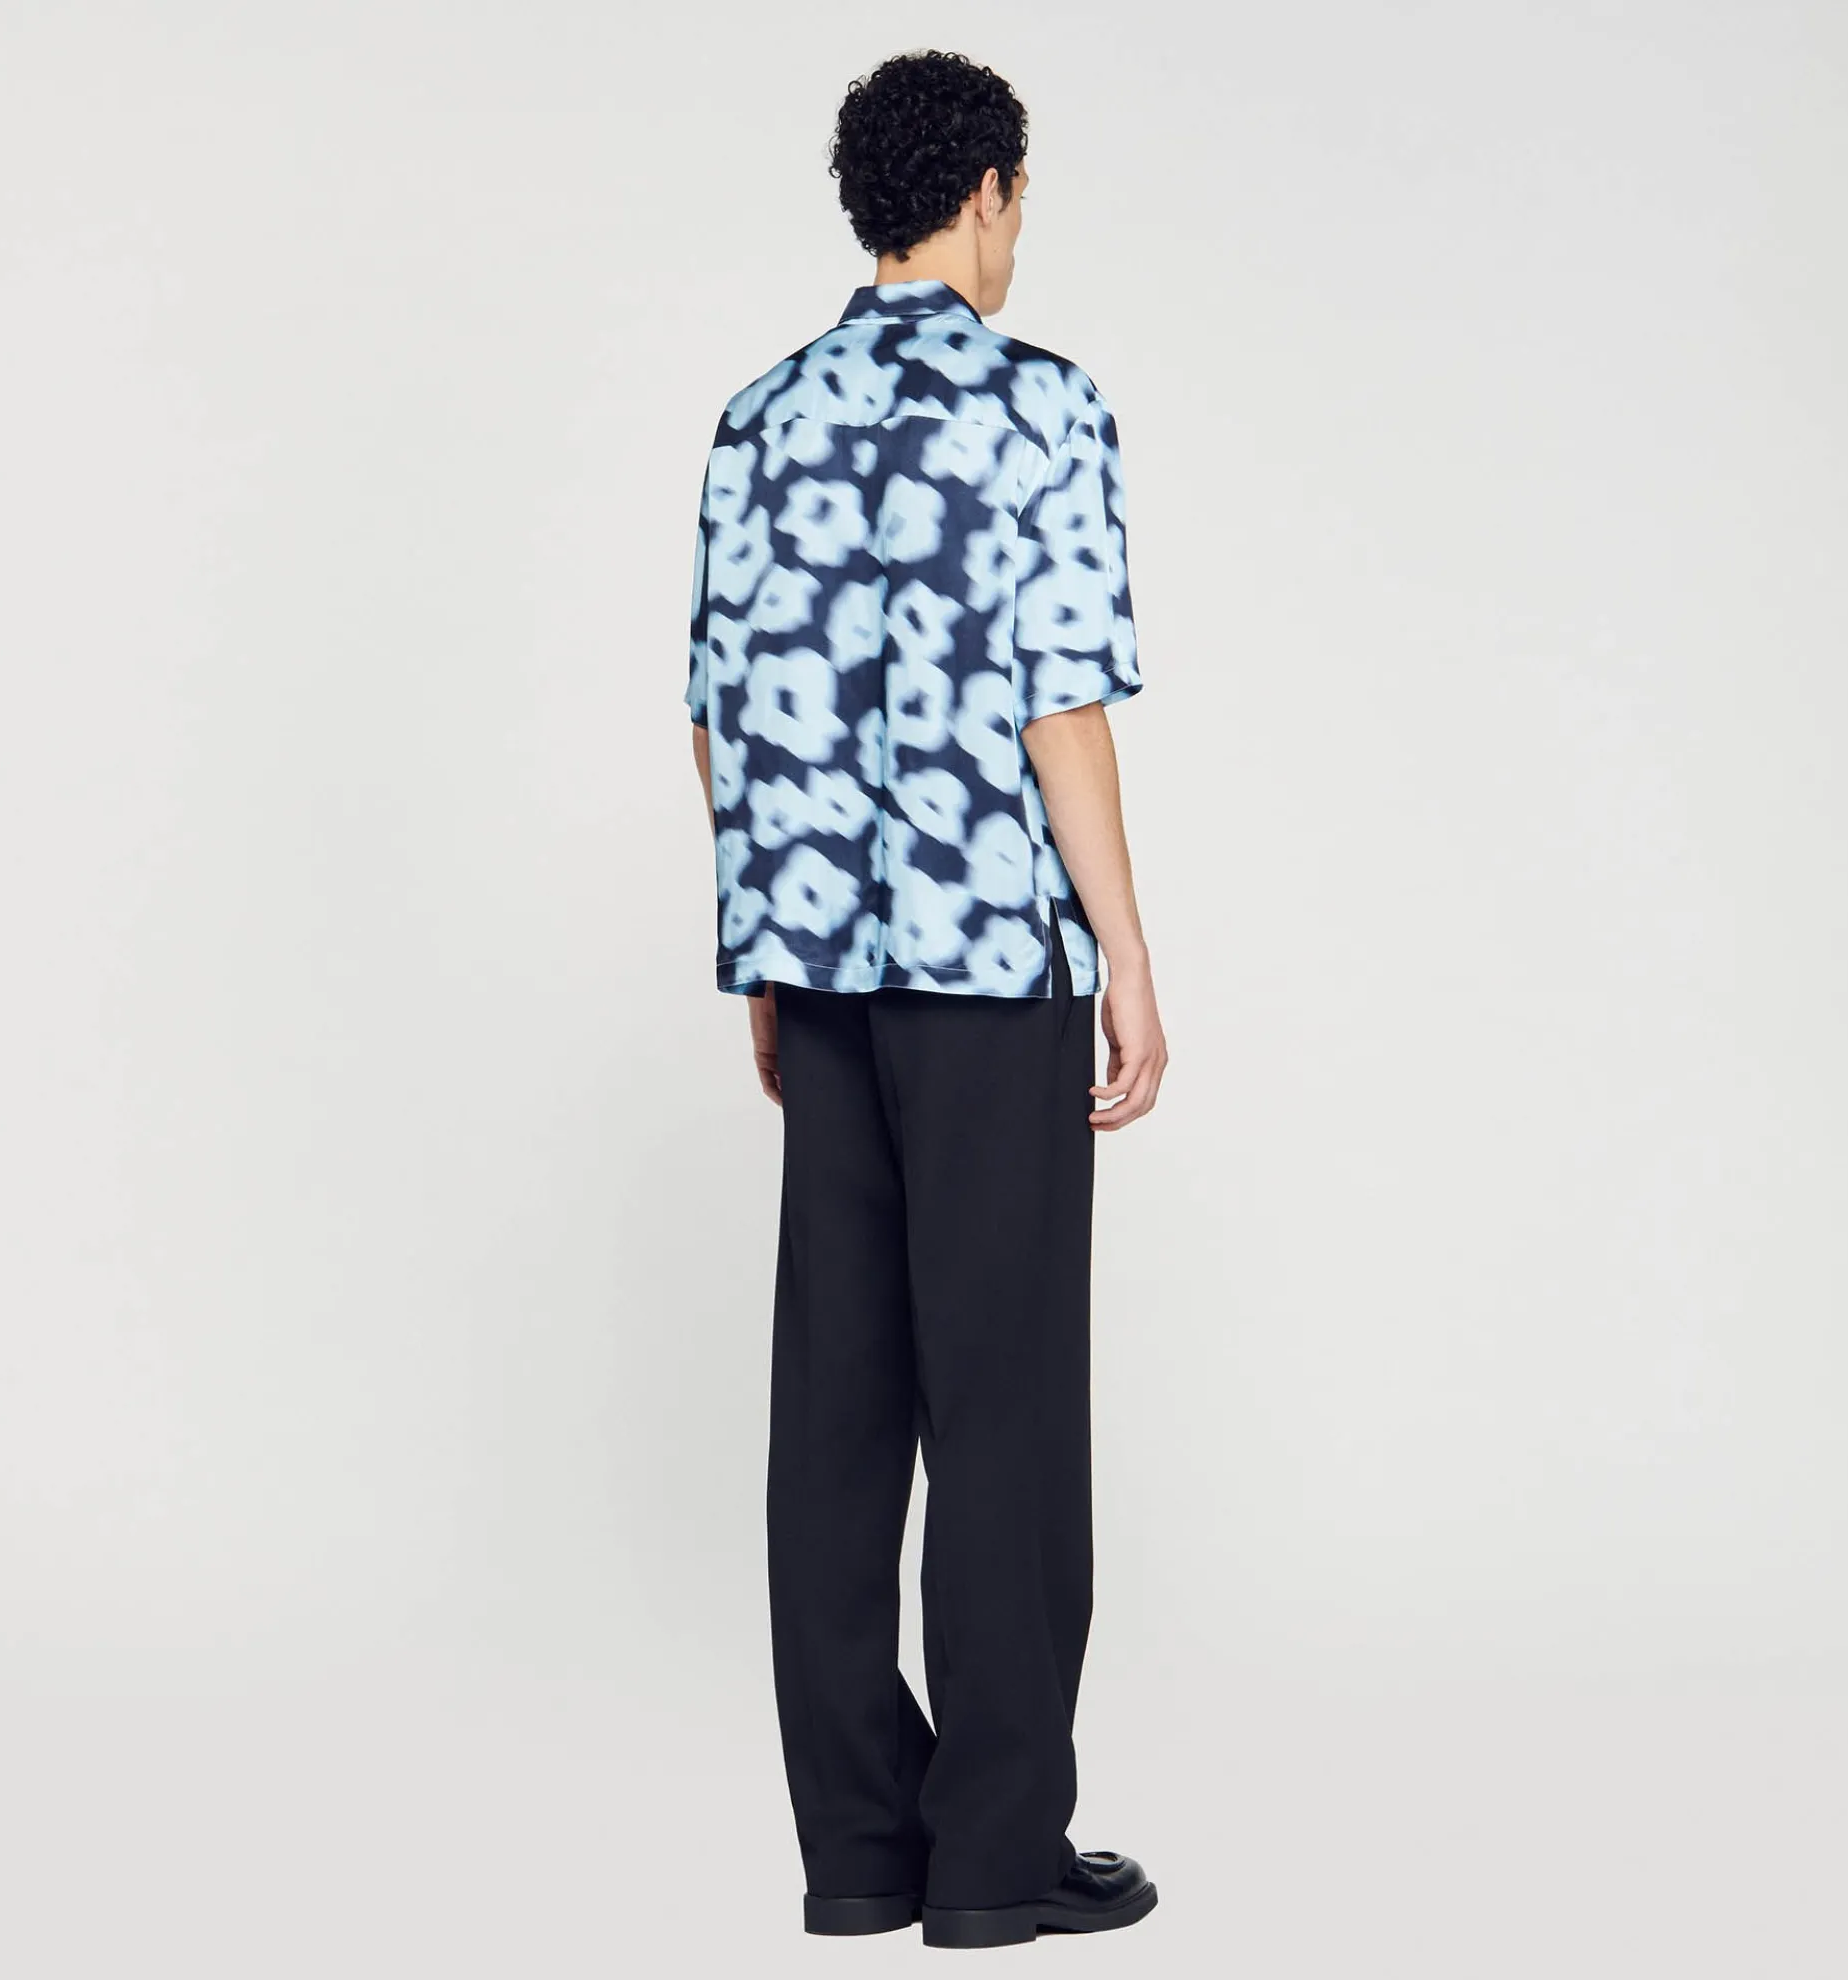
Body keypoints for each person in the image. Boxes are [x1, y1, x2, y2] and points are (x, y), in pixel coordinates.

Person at [682, 48, 1167, 1951]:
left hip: (822, 971)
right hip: (986, 974)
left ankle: (862, 1855)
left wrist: (766, 946)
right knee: (1003, 1406)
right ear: (985, 192)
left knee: (836, 1412)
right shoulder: (1043, 406)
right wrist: (1127, 952)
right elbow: (1063, 706)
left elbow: (718, 718)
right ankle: (996, 1858)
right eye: (1020, 199)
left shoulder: (756, 418)